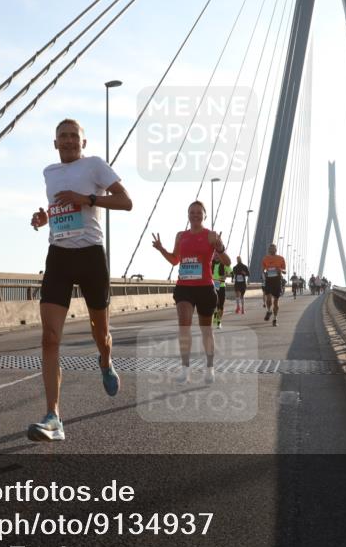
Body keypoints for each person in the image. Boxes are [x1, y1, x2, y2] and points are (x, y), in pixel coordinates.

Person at [27, 118, 133, 442]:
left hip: (91, 256)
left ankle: (105, 360)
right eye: (63, 136)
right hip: (58, 256)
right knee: (49, 337)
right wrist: (45, 218)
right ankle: (53, 417)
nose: (70, 141)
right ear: (55, 142)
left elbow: (125, 202)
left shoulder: (96, 166)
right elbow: (59, 207)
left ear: (83, 143)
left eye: (75, 136)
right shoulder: (49, 172)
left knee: (100, 332)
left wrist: (87, 199)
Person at [151, 201, 231, 384]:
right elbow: (174, 260)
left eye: (198, 212)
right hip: (184, 287)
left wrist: (220, 248)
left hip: (205, 288)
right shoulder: (181, 236)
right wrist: (161, 249)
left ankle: (210, 368)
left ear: (204, 215)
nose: (195, 215)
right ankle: (185, 368)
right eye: (191, 212)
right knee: (184, 326)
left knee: (206, 330)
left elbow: (226, 261)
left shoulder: (211, 236)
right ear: (187, 215)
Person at [260, 244, 286, 327]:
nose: (272, 250)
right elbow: (263, 270)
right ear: (268, 250)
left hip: (277, 281)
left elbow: (285, 271)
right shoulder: (265, 259)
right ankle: (269, 311)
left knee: (276, 301)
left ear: (276, 249)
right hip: (269, 281)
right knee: (268, 299)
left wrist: (280, 270)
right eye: (270, 248)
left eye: (273, 248)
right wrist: (263, 274)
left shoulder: (281, 258)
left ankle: (275, 319)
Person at [212, 257, 228, 329]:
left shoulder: (224, 263)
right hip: (213, 285)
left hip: (221, 286)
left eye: (218, 254)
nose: (216, 256)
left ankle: (219, 321)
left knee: (221, 305)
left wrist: (225, 276)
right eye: (215, 254)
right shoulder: (210, 263)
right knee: (214, 304)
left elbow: (231, 273)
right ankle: (216, 316)